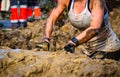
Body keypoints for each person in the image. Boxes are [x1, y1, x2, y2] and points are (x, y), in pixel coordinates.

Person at [36, 0, 120, 60]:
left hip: (108, 48)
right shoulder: (66, 1)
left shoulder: (96, 2)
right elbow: (52, 19)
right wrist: (46, 39)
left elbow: (95, 28)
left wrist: (73, 42)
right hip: (88, 50)